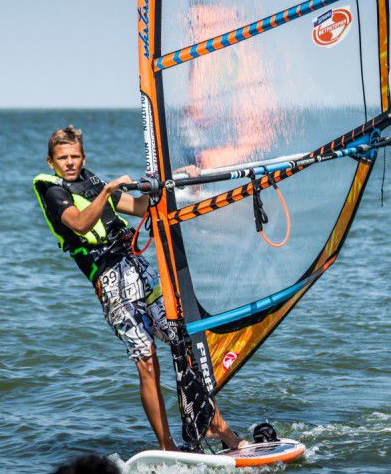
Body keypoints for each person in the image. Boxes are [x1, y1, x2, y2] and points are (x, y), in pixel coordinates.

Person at [33, 125, 245, 451]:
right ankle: (168, 446)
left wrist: (172, 180)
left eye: (75, 156)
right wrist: (108, 191)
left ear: (83, 158)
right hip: (111, 282)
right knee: (147, 361)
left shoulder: (93, 182)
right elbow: (80, 224)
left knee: (184, 341)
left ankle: (216, 427)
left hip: (137, 267)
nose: (70, 162)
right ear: (51, 162)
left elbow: (141, 208)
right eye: (63, 158)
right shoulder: (54, 192)